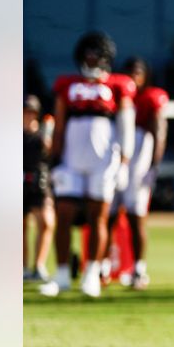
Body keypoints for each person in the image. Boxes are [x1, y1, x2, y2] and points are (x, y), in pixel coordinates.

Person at [39, 31, 136, 298]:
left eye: (97, 54)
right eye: (88, 54)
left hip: (103, 159)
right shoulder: (67, 84)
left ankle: (92, 273)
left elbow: (126, 124)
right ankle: (60, 276)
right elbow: (59, 122)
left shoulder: (119, 85)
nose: (92, 59)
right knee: (65, 213)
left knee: (98, 216)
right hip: (71, 158)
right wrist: (54, 159)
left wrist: (125, 161)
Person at [105, 57, 167, 290]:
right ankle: (102, 266)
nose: (133, 79)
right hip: (115, 155)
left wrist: (153, 167)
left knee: (135, 215)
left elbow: (158, 133)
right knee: (107, 215)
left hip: (139, 159)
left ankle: (139, 269)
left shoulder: (150, 99)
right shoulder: (115, 96)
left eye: (137, 73)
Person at [23, 95, 54, 282]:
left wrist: (48, 134)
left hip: (39, 181)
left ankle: (39, 265)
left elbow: (49, 153)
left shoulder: (42, 134)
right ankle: (23, 267)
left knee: (46, 222)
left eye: (31, 112)